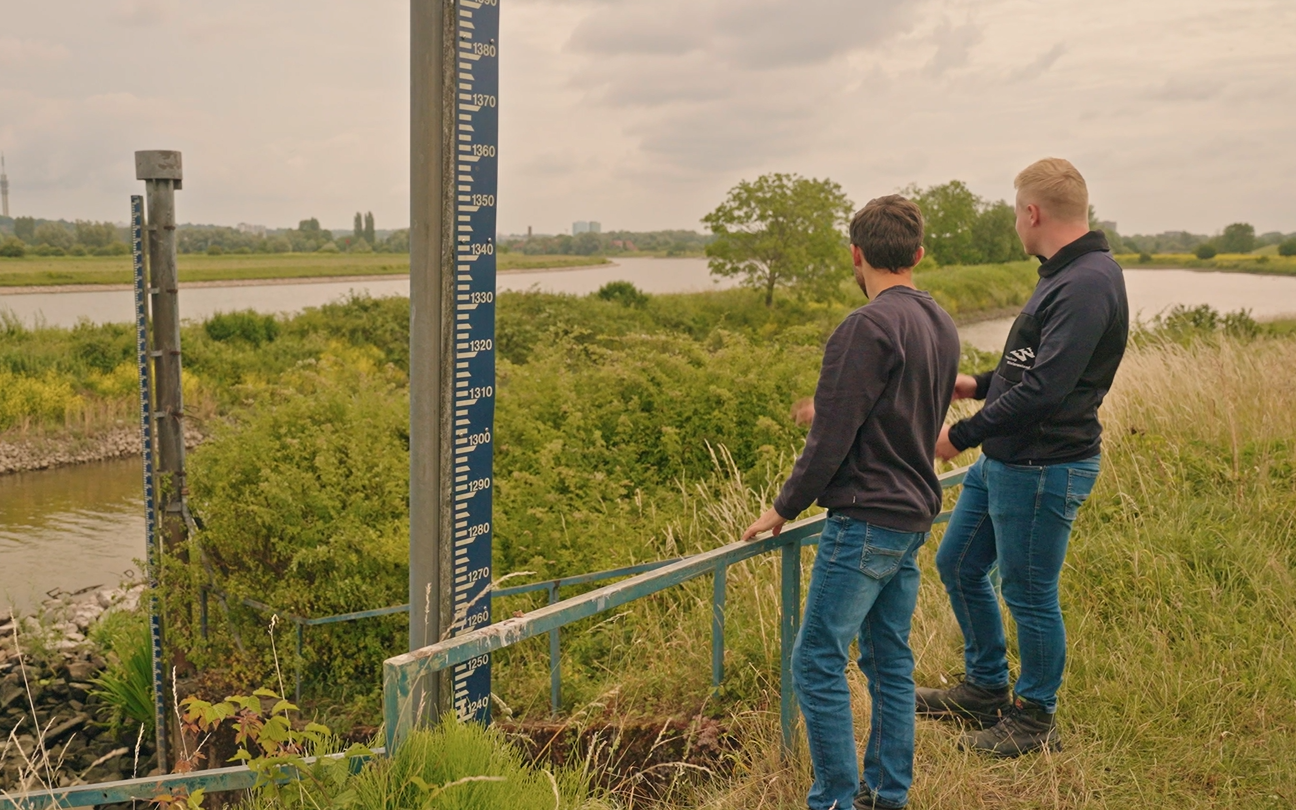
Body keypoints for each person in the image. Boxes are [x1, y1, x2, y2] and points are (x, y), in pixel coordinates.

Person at [742, 195, 960, 810]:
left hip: (866, 519)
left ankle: (835, 799)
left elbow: (830, 437)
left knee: (816, 661)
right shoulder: (939, 322)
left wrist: (783, 507)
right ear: (918, 254)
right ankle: (888, 794)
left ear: (856, 254)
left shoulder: (865, 326)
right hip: (913, 515)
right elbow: (904, 410)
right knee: (889, 658)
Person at [921, 158, 1129, 757]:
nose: (1016, 222)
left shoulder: (1088, 280)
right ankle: (984, 689)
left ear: (1032, 212)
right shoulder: (1062, 273)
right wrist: (979, 384)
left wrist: (959, 436)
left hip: (1044, 466)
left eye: (1016, 212)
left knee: (1029, 592)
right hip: (1008, 460)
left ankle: (1035, 718)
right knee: (959, 565)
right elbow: (1028, 367)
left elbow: (1049, 389)